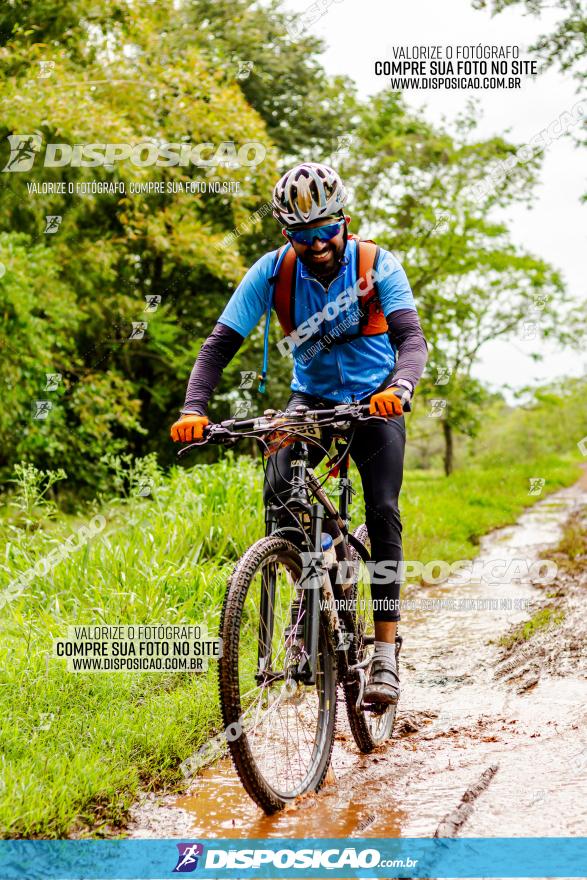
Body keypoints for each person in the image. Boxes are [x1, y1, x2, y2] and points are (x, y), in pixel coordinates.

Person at [171, 162, 428, 704]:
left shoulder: (378, 264)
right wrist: (194, 407)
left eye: (325, 231)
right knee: (279, 487)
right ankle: (308, 583)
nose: (315, 243)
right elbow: (218, 345)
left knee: (382, 509)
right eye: (301, 234)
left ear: (344, 222)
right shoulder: (271, 271)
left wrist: (400, 387)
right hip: (310, 401)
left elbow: (411, 340)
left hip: (375, 399)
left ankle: (384, 652)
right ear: (286, 233)